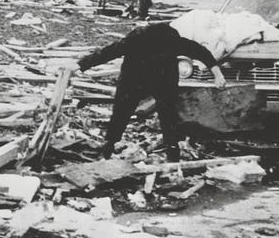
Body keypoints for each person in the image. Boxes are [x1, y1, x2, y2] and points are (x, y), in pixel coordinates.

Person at [65, 23, 227, 162]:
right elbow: (108, 52)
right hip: (139, 79)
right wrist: (80, 65)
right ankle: (112, 147)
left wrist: (218, 74)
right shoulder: (149, 40)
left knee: (157, 114)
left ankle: (169, 151)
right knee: (134, 112)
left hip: (154, 79)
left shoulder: (162, 41)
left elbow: (201, 52)